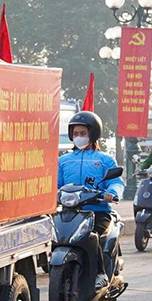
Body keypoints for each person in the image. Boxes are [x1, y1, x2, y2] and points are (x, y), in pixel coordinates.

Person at [58, 110, 123, 287]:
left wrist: (112, 193)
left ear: (92, 135)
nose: (79, 137)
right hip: (70, 212)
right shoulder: (63, 161)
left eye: (83, 134)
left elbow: (116, 182)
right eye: (76, 134)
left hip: (98, 212)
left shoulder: (104, 160)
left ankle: (100, 274)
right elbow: (55, 185)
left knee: (91, 236)